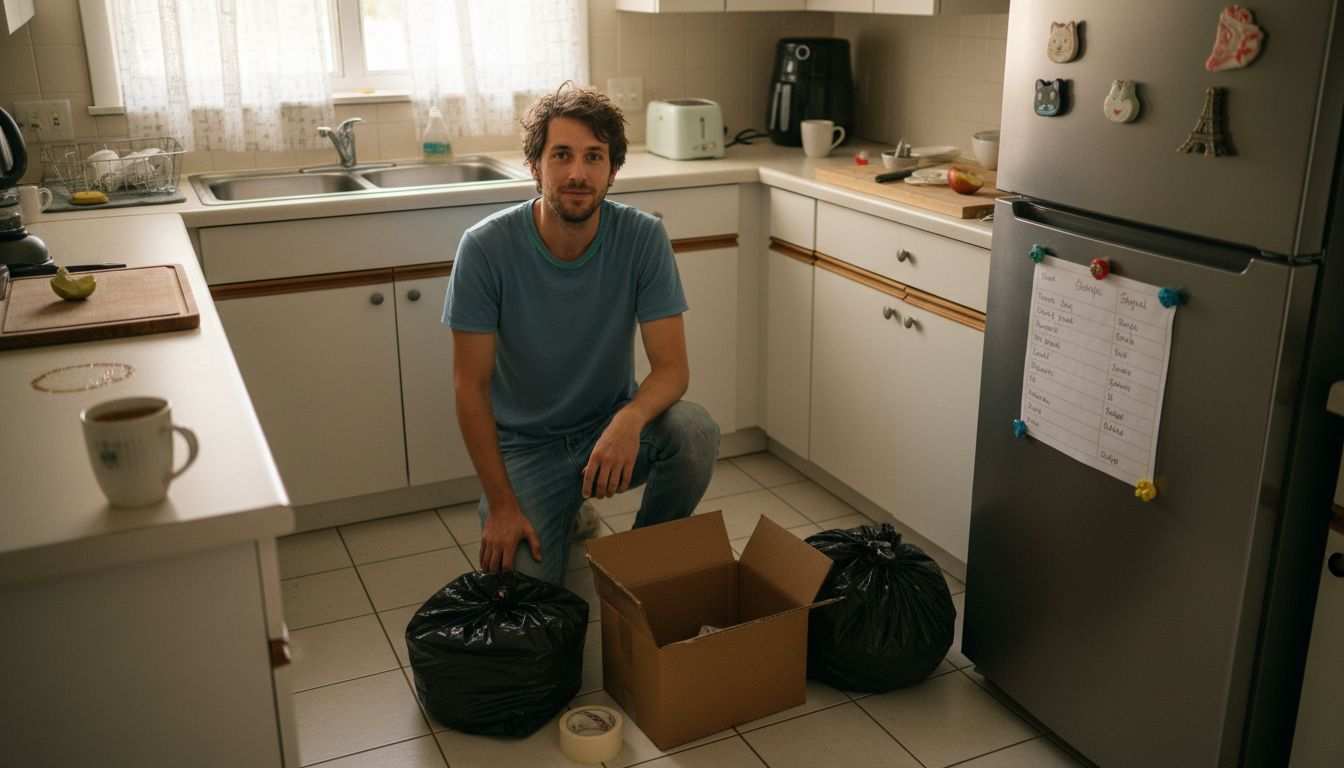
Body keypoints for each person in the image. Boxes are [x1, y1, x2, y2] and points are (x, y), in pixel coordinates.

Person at [442, 84, 720, 586]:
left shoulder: (643, 238)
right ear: (535, 165)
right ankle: (565, 510)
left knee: (695, 431)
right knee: (521, 593)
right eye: (562, 155)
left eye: (594, 157)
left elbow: (673, 368)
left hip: (607, 429)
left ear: (612, 171)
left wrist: (630, 419)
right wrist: (503, 507)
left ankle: (643, 562)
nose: (577, 173)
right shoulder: (484, 248)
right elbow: (470, 387)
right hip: (526, 446)